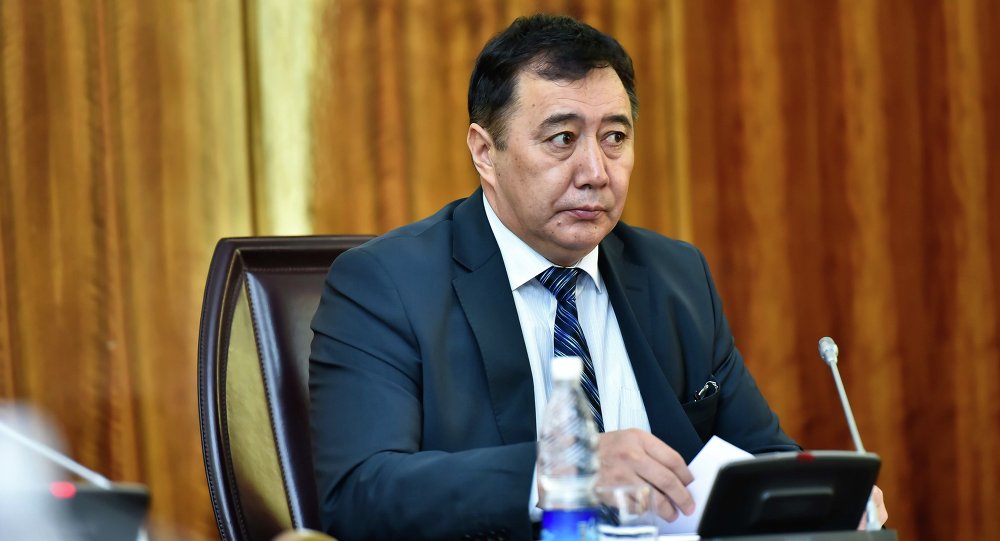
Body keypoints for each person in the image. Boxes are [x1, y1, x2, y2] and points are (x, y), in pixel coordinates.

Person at [309, 13, 884, 541]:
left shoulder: (676, 277)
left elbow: (761, 458)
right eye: (562, 138)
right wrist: (565, 472)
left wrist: (826, 500)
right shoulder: (387, 284)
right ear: (485, 152)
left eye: (615, 138)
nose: (595, 172)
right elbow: (359, 494)